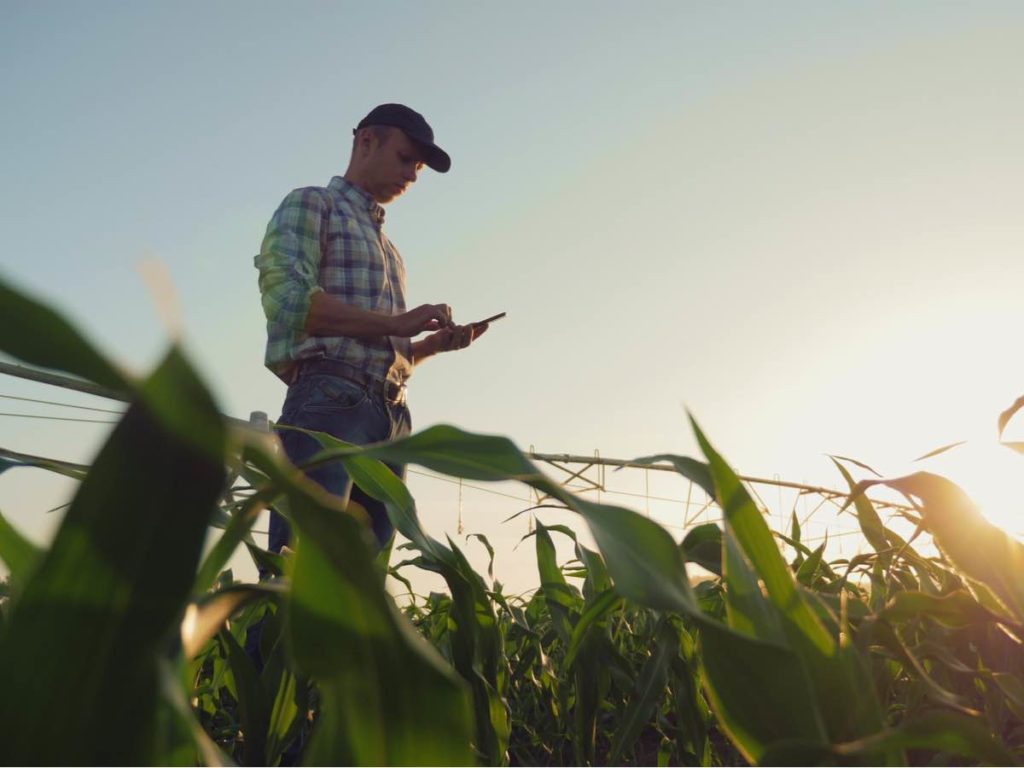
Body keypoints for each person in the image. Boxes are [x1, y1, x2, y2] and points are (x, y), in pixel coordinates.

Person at [255, 103, 488, 554]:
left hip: (391, 415)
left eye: (419, 167)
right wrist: (395, 323)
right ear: (366, 142)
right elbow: (286, 299)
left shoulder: (390, 249)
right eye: (406, 159)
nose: (414, 176)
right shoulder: (312, 203)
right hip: (330, 404)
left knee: (360, 592)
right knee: (301, 571)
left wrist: (428, 347)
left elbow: (377, 347)